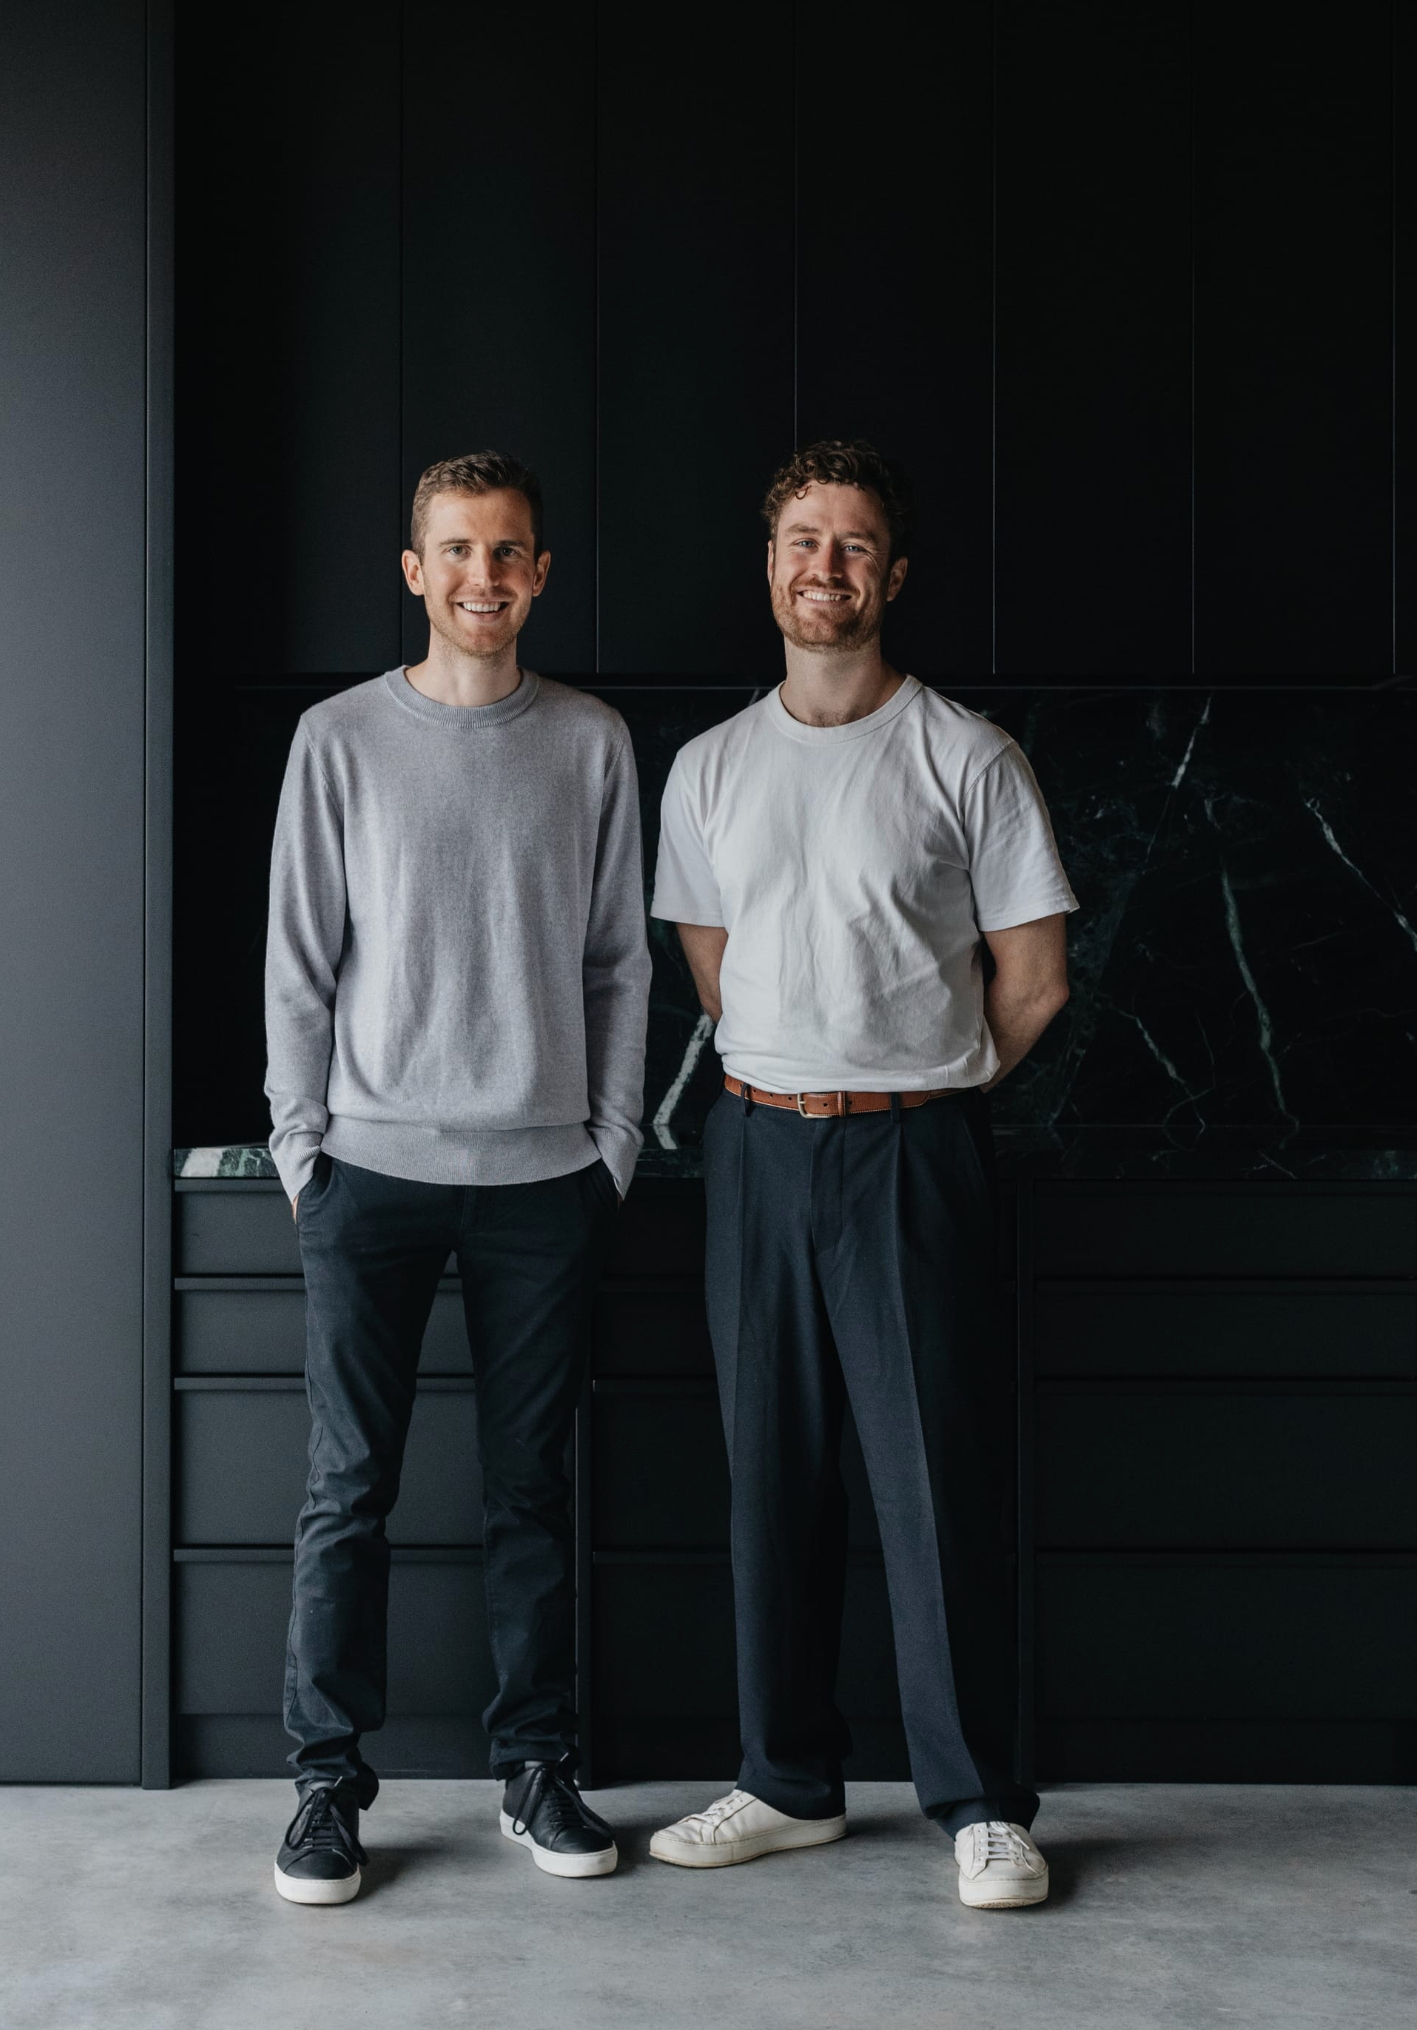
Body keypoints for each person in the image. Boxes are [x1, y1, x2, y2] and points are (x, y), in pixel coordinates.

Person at [648, 439, 1076, 1910]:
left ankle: (979, 1805)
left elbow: (1033, 979)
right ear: (768, 568)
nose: (823, 567)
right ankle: (787, 1781)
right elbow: (714, 972)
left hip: (914, 1148)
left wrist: (916, 1088)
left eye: (852, 544)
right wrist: (806, 1080)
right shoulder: (710, 767)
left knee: (933, 1477)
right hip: (757, 1143)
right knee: (770, 1473)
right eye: (801, 542)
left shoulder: (966, 755)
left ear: (892, 574)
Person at [264, 450, 651, 1903]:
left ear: (538, 574)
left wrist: (612, 1144)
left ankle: (535, 1768)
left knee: (531, 1491)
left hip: (546, 1178)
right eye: (457, 551)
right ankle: (323, 1784)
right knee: (346, 1488)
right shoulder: (338, 739)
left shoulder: (593, 742)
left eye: (507, 552)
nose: (482, 576)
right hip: (367, 1169)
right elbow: (297, 960)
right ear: (414, 570)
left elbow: (619, 962)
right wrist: (302, 1149)